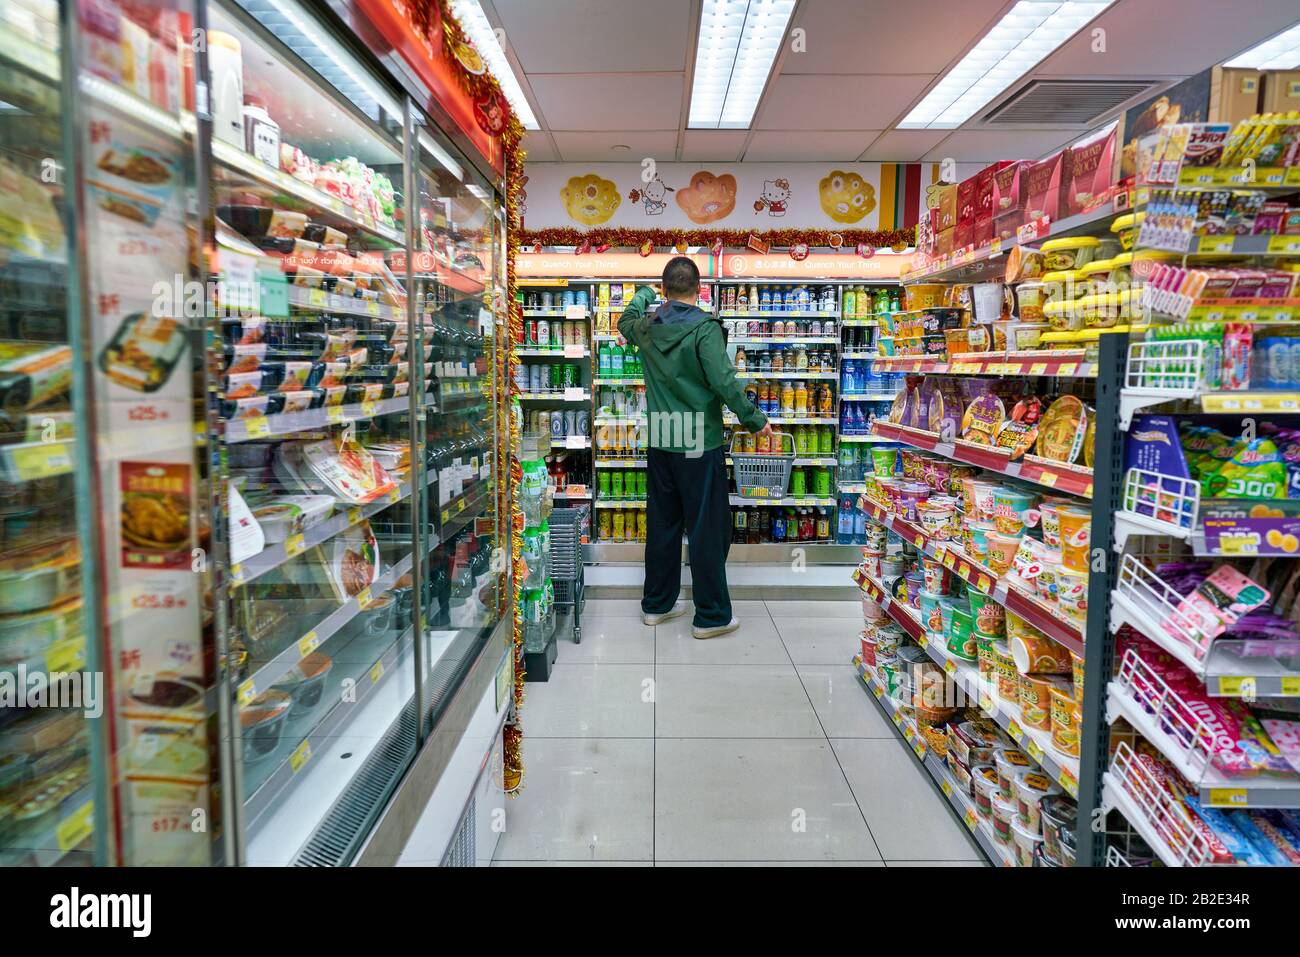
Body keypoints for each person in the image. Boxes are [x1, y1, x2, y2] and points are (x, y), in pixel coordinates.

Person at [618, 257, 770, 638]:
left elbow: (622, 322)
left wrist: (642, 294)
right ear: (700, 289)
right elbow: (723, 381)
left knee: (663, 523)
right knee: (706, 528)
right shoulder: (706, 329)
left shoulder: (646, 327)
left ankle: (657, 605)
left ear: (665, 289)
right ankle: (712, 615)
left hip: (662, 440)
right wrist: (754, 419)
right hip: (698, 443)